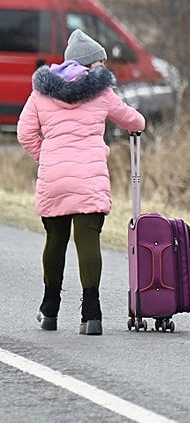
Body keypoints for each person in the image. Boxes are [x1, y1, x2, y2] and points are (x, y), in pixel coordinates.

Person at [17, 29, 146, 335]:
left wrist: (46, 157)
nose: (104, 66)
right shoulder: (102, 92)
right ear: (90, 64)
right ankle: (92, 315)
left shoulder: (41, 92)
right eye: (101, 62)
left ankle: (49, 311)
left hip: (53, 178)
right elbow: (134, 121)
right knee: (87, 242)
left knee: (55, 241)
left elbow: (24, 133)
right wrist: (135, 125)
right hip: (89, 178)